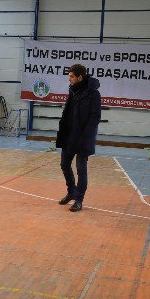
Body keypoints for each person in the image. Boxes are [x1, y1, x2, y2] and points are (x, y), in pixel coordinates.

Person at [56, 64, 101, 212]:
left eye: (72, 76)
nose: (70, 79)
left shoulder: (93, 93)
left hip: (83, 138)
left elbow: (95, 117)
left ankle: (79, 199)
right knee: (64, 164)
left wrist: (85, 136)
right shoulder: (72, 91)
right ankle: (71, 192)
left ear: (80, 77)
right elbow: (68, 112)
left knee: (81, 170)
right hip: (69, 136)